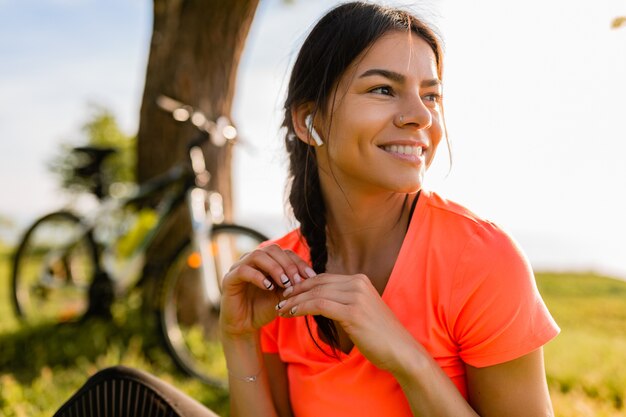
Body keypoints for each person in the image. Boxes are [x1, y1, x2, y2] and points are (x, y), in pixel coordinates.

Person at [54, 2, 559, 416]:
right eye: (384, 90)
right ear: (308, 120)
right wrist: (239, 339)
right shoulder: (280, 273)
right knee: (116, 395)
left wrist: (407, 359)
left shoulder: (482, 260)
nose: (419, 117)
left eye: (431, 95)